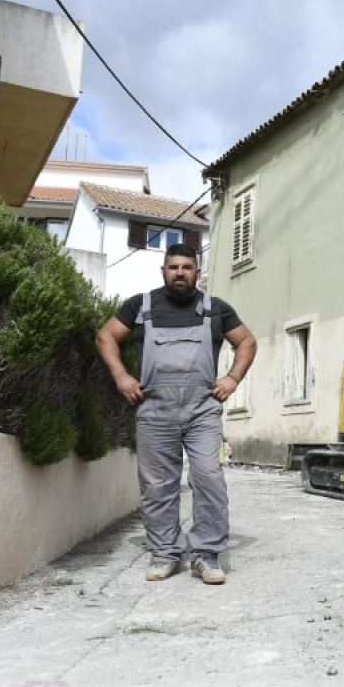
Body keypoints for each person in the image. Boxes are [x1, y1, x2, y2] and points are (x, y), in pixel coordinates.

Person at [96, 244, 256, 585]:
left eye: (186, 267)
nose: (179, 273)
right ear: (163, 271)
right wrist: (121, 376)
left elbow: (247, 342)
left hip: (202, 410)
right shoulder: (140, 307)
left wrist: (232, 378)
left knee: (208, 476)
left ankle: (206, 553)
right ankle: (165, 553)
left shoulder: (216, 309)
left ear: (197, 272)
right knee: (157, 485)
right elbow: (105, 336)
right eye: (173, 267)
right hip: (155, 409)